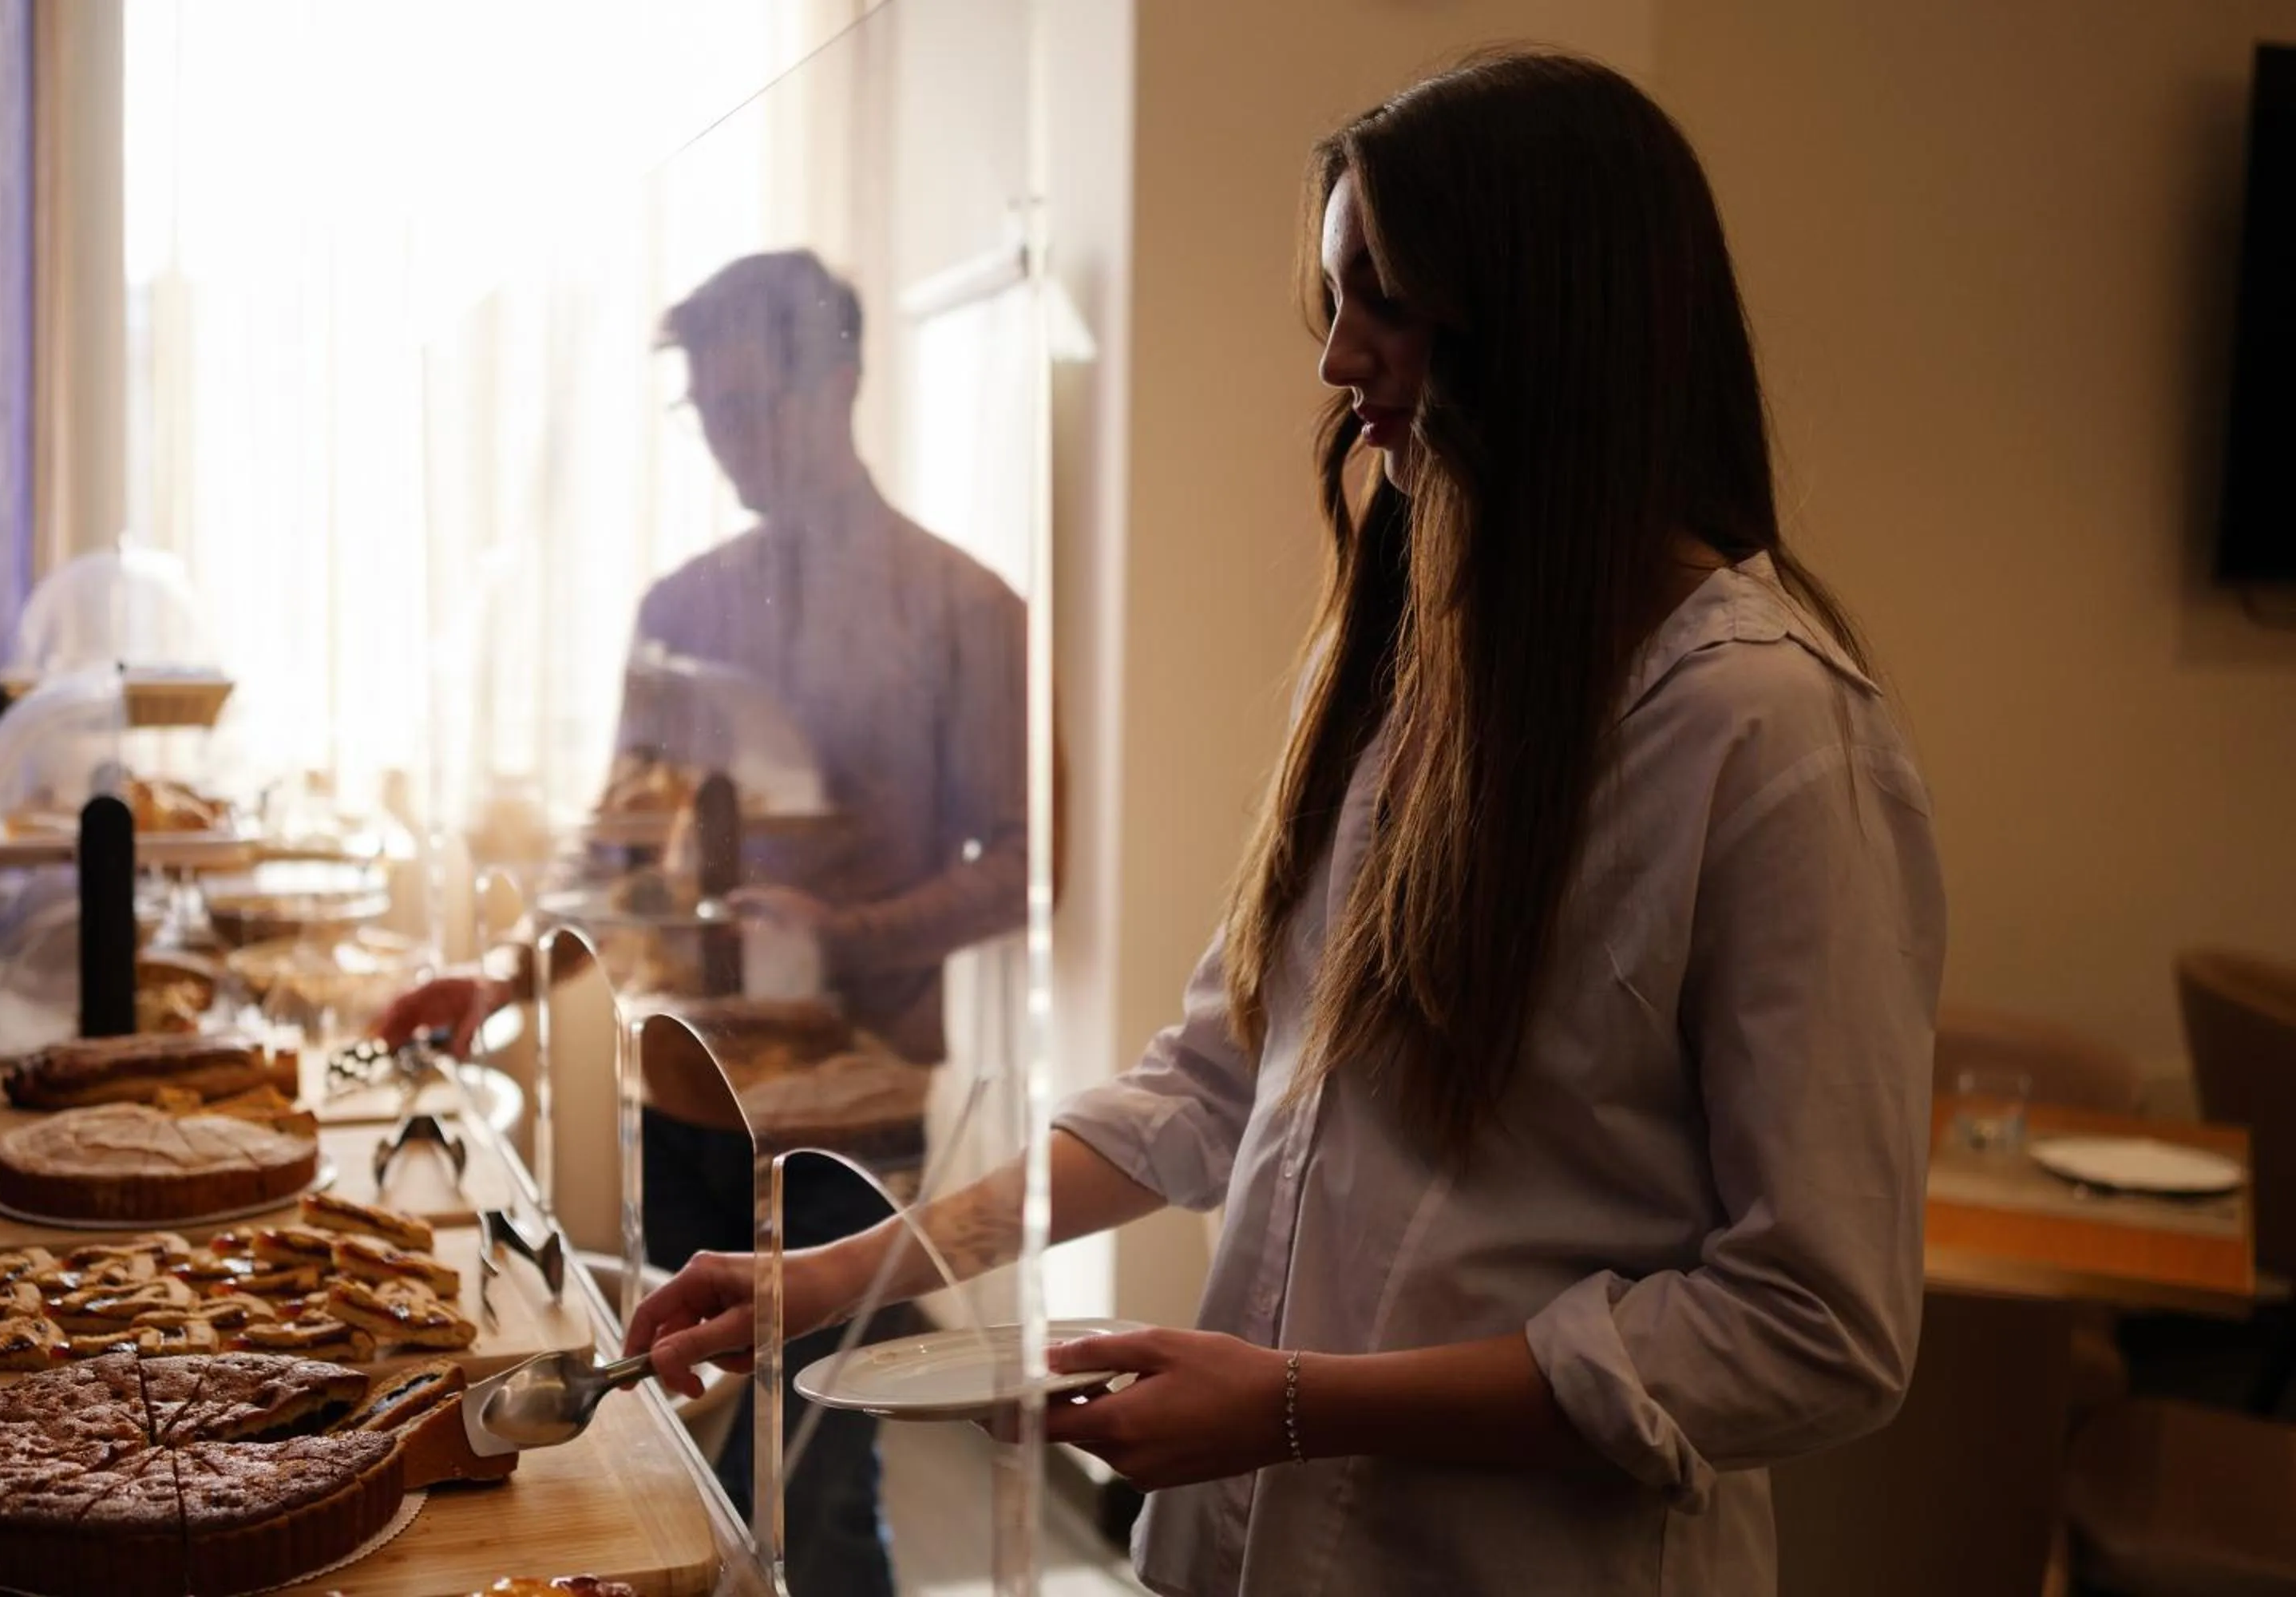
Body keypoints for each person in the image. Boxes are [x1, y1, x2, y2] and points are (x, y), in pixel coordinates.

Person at [627, 48, 1945, 1596]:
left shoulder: (1774, 736)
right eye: (1336, 308)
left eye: (1382, 301)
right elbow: (1213, 1076)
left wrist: (1304, 1403)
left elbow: (1820, 1326)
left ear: (1550, 311)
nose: (1340, 365)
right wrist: (836, 1274)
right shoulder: (1399, 663)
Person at [379, 251, 1029, 1597]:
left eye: (757, 409)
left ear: (842, 382)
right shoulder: (680, 609)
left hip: (850, 1113)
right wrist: (497, 979)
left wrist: (844, 931)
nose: (735, 447)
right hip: (674, 1092)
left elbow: (1028, 865)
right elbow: (615, 838)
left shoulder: (967, 612)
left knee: (819, 1475)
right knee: (675, 1443)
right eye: (712, 415)